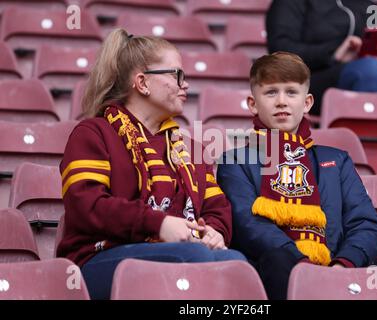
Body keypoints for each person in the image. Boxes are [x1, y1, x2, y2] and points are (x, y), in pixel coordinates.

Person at [216, 52, 377, 300]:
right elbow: (249, 226)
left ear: (308, 102)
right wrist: (303, 265)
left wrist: (343, 265)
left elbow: (365, 223)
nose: (281, 101)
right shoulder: (235, 161)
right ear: (253, 104)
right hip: (280, 270)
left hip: (338, 266)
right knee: (278, 260)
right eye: (270, 93)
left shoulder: (336, 160)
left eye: (291, 92)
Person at [57, 28, 246, 300]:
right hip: (97, 261)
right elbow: (86, 206)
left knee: (237, 263)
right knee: (193, 257)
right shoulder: (93, 133)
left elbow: (216, 208)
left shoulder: (192, 148)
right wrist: (159, 224)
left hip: (189, 253)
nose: (186, 85)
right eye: (176, 75)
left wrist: (215, 231)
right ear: (142, 83)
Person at [266, 0, 377, 116]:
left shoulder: (371, 8)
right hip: (309, 79)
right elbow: (280, 50)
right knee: (369, 70)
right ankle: (363, 147)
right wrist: (333, 53)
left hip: (366, 72)